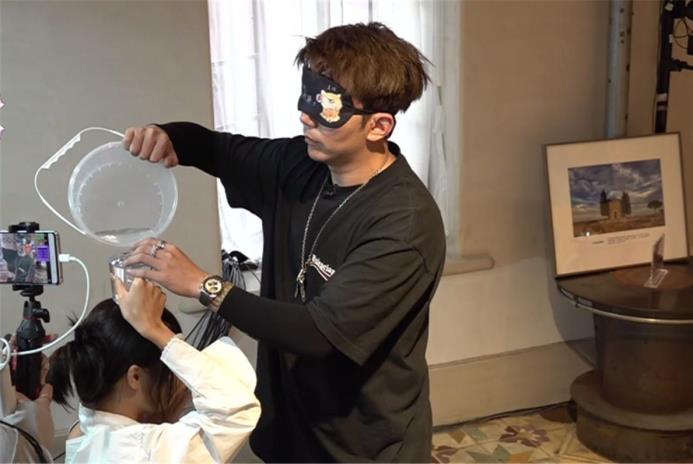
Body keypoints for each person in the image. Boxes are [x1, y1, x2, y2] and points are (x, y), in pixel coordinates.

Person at [123, 22, 446, 462]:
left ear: (378, 126)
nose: (306, 116)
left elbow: (318, 332)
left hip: (363, 447)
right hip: (287, 432)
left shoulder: (404, 223)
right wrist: (168, 136)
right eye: (307, 96)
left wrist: (203, 284)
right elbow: (213, 148)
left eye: (326, 105)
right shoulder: (298, 165)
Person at [46, 278, 260, 463]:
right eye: (170, 367)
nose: (178, 380)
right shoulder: (145, 450)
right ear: (135, 377)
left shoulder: (81, 433)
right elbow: (237, 410)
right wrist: (153, 329)